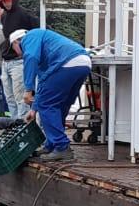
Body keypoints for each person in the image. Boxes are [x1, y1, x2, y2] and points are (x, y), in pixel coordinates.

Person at [9, 28, 91, 162]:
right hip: (83, 63)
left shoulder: (30, 37)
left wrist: (28, 89)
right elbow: (43, 84)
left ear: (16, 42)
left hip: (66, 63)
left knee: (47, 105)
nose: (17, 54)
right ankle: (52, 145)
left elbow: (30, 57)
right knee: (60, 106)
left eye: (14, 49)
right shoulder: (46, 51)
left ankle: (61, 146)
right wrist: (34, 109)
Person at [0, 0, 38, 119]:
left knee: (21, 98)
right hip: (6, 62)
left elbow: (39, 29)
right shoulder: (4, 17)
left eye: (8, 1)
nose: (6, 4)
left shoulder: (24, 14)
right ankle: (14, 125)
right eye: (3, 1)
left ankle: (23, 127)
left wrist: (24, 50)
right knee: (9, 98)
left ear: (13, 0)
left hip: (19, 62)